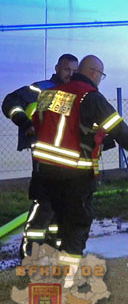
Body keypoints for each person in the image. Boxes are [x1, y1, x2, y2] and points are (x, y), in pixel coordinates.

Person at [29, 55, 128, 286]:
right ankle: (70, 279)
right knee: (77, 224)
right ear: (94, 73)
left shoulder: (50, 94)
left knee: (57, 220)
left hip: (44, 172)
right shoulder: (90, 96)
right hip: (75, 174)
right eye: (101, 75)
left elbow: (40, 125)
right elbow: (117, 127)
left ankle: (49, 267)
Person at [2, 53, 79, 256]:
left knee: (61, 202)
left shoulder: (75, 92)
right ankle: (29, 252)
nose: (70, 74)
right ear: (56, 68)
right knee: (44, 202)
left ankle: (52, 246)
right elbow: (10, 102)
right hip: (44, 156)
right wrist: (24, 122)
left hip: (66, 158)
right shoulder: (41, 89)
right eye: (66, 70)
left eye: (74, 71)